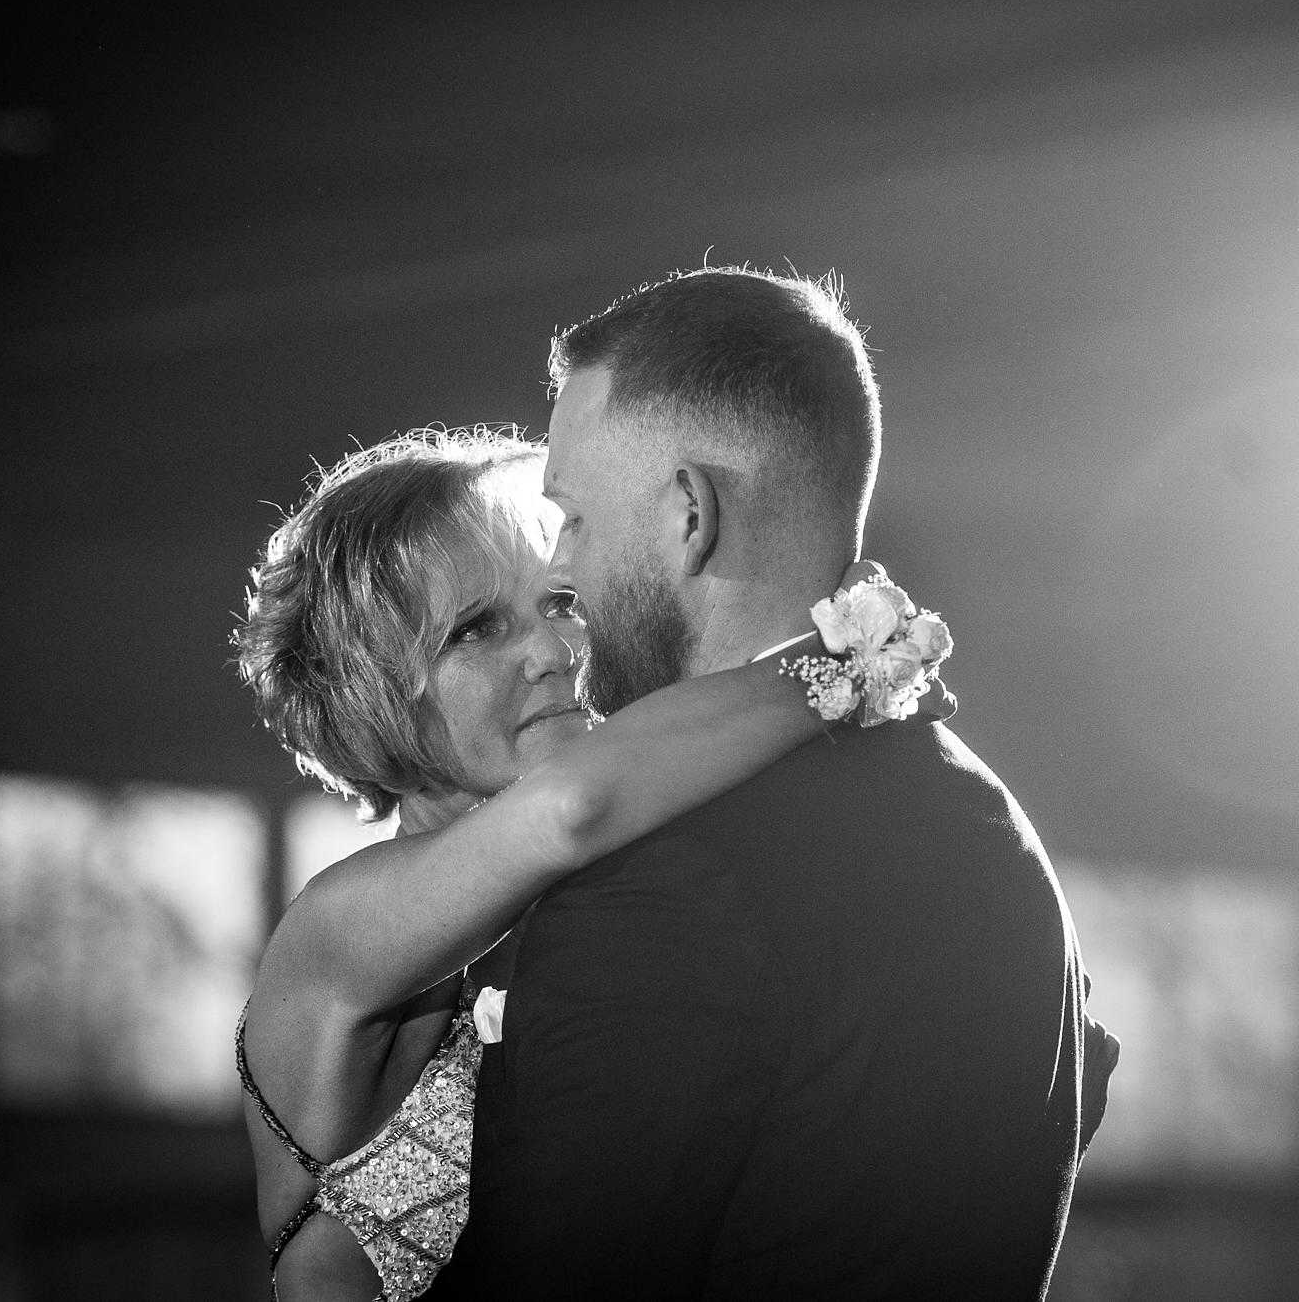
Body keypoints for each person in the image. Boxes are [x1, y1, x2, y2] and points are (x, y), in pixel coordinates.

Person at [431, 268, 1116, 1301]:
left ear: (688, 515)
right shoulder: (991, 827)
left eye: (570, 517)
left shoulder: (666, 880)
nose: (558, 571)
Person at [231, 426, 949, 1301]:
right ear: (367, 690)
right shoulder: (336, 928)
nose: (554, 652)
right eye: (476, 629)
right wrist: (851, 659)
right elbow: (576, 805)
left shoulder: (602, 896)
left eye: (561, 603)